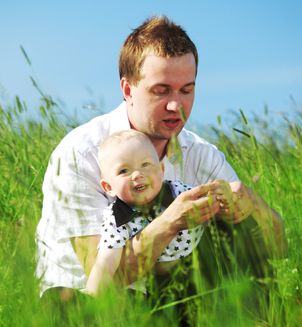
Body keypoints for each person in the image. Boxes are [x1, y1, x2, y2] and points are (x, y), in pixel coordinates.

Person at [36, 15, 286, 301]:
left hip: (169, 297)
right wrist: (170, 223)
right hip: (85, 306)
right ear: (128, 89)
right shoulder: (81, 153)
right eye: (161, 90)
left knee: (237, 228)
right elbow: (101, 278)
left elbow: (277, 250)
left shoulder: (202, 156)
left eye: (186, 90)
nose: (175, 105)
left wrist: (254, 206)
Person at [86, 129, 225, 295]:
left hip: (198, 263)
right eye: (124, 171)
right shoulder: (117, 218)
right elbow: (107, 260)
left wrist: (217, 194)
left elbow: (208, 202)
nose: (137, 174)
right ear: (109, 187)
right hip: (158, 282)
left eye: (145, 165)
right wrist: (93, 295)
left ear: (161, 169)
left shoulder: (177, 192)